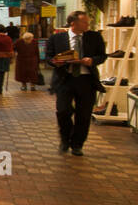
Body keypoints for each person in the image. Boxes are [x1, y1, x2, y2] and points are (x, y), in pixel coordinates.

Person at [45, 11, 107, 157]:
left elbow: (102, 55)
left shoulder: (94, 37)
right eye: (84, 22)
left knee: (83, 114)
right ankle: (65, 140)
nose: (88, 24)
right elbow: (48, 56)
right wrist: (56, 62)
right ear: (73, 23)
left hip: (86, 80)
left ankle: (77, 144)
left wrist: (92, 60)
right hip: (65, 79)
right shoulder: (57, 38)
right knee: (63, 111)